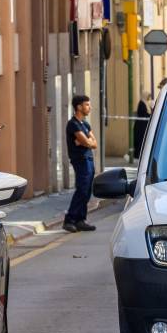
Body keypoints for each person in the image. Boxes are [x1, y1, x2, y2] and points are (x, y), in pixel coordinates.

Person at [63, 95, 98, 233]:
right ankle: (69, 220)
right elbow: (86, 142)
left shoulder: (85, 124)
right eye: (87, 105)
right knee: (82, 189)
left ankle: (80, 220)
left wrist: (86, 142)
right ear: (79, 107)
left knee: (88, 189)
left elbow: (94, 143)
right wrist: (86, 142)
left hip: (89, 159)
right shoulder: (73, 124)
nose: (89, 107)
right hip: (80, 160)